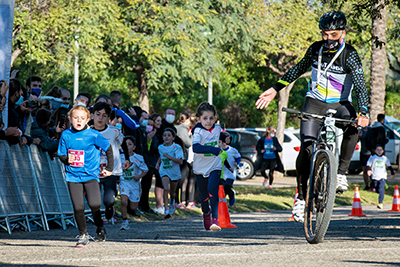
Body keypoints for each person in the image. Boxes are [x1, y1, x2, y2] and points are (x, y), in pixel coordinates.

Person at [255, 11, 369, 223]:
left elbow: (361, 85)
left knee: (354, 126)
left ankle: (341, 173)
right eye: (324, 34)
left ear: (343, 33)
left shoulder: (350, 54)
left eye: (333, 34)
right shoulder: (316, 48)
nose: (328, 39)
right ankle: (300, 197)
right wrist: (274, 89)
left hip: (340, 103)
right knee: (307, 148)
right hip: (314, 102)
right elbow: (297, 69)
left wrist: (363, 111)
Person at [57, 105, 114, 247]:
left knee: (95, 204)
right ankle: (83, 235)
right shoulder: (66, 135)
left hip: (90, 175)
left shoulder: (93, 134)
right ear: (70, 119)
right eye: (75, 118)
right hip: (73, 176)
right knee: (78, 207)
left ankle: (100, 226)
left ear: (88, 120)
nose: (78, 121)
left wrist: (109, 168)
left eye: (82, 118)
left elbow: (108, 148)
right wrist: (66, 160)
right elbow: (61, 154)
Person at [192, 102, 228, 231]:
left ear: (215, 118)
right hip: (200, 167)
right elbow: (195, 147)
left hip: (214, 164)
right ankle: (206, 214)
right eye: (205, 118)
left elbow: (220, 134)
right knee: (203, 195)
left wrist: (225, 137)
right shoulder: (198, 131)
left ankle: (215, 220)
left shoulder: (217, 128)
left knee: (213, 189)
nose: (208, 121)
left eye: (211, 118)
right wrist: (213, 149)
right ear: (199, 119)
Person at [91, 102, 127, 223]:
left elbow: (124, 144)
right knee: (94, 201)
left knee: (109, 200)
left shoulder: (114, 131)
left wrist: (127, 159)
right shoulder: (87, 132)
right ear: (92, 116)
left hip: (111, 170)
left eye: (104, 115)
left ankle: (109, 207)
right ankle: (98, 223)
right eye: (98, 114)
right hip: (93, 171)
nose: (100, 118)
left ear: (108, 118)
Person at [120, 136, 149, 230]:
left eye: (130, 144)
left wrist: (138, 176)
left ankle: (130, 207)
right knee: (123, 201)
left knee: (133, 207)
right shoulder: (120, 157)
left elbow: (145, 170)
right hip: (124, 182)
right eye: (125, 145)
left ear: (134, 147)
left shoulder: (138, 158)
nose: (127, 147)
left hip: (134, 184)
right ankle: (124, 221)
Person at [156, 128, 184, 218]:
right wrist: (157, 163)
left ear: (173, 138)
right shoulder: (160, 147)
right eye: (164, 135)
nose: (166, 137)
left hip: (174, 171)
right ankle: (166, 209)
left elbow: (180, 162)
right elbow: (161, 156)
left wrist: (169, 157)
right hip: (164, 170)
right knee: (165, 188)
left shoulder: (177, 148)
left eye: (169, 135)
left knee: (172, 192)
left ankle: (172, 202)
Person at [366, 145, 395, 209]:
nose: (379, 151)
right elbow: (368, 165)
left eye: (380, 150)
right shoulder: (372, 158)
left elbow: (389, 166)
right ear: (375, 151)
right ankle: (384, 185)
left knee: (381, 190)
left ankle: (380, 203)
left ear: (383, 151)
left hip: (382, 176)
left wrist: (392, 173)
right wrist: (369, 170)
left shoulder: (385, 158)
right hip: (375, 176)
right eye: (378, 150)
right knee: (376, 188)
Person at [175, 111, 193, 209]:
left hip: (174, 156)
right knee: (181, 180)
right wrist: (191, 135)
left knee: (175, 179)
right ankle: (178, 201)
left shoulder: (175, 127)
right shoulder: (184, 129)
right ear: (187, 120)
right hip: (182, 156)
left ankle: (175, 200)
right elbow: (188, 143)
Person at [219, 132, 241, 206]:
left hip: (230, 173)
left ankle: (231, 194)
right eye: (223, 141)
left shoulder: (233, 150)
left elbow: (238, 157)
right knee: (222, 189)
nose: (224, 143)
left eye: (227, 141)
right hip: (222, 173)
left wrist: (236, 162)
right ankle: (222, 204)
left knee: (227, 186)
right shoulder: (218, 151)